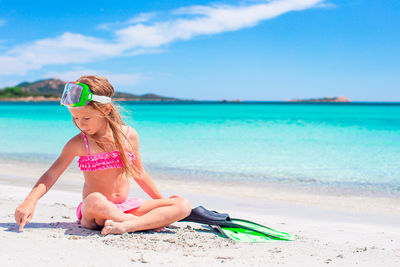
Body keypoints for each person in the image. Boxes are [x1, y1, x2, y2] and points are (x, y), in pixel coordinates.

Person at [14, 75, 191, 235]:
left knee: (182, 204)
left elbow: (139, 173)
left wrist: (162, 202)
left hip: (125, 208)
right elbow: (51, 174)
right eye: (75, 119)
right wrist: (30, 201)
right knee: (95, 199)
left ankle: (125, 225)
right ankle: (139, 224)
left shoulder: (129, 136)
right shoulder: (78, 144)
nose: (80, 124)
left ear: (105, 110)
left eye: (86, 118)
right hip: (94, 212)